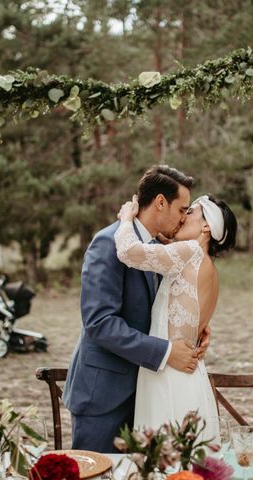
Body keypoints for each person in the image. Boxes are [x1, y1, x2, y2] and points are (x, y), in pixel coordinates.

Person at [63, 165, 207, 453]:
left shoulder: (158, 249)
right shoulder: (108, 242)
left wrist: (194, 326)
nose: (182, 219)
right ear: (160, 202)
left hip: (144, 394)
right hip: (103, 394)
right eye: (181, 210)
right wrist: (166, 352)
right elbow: (100, 322)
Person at [114, 193, 237, 442]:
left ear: (206, 227)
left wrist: (126, 219)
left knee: (162, 460)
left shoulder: (189, 252)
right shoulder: (209, 269)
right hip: (191, 376)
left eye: (189, 212)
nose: (182, 218)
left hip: (167, 374)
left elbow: (128, 252)